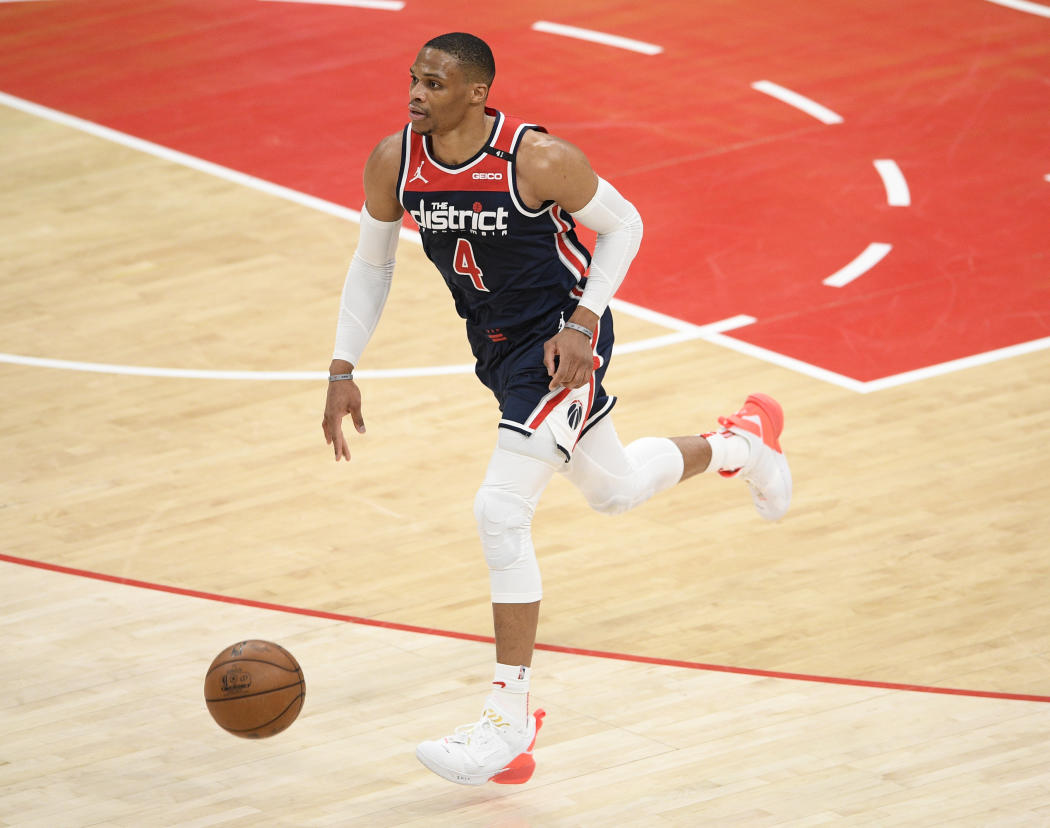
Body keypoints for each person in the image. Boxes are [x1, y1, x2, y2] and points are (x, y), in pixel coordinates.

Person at [320, 32, 791, 786]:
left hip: (560, 348)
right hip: (499, 353)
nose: (416, 94)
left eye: (434, 84)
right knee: (615, 491)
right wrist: (343, 366)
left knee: (499, 512)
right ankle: (743, 445)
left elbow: (625, 224)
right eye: (413, 79)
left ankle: (506, 722)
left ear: (476, 92)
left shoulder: (535, 159)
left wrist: (584, 322)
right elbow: (372, 260)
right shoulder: (396, 160)